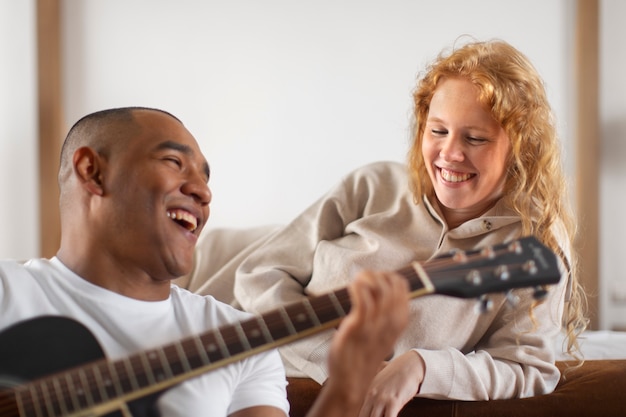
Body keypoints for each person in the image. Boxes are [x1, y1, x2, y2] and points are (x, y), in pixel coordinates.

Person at [233, 39, 588, 415]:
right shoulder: (372, 186)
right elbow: (258, 276)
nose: (450, 153)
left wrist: (423, 367)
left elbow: (524, 367)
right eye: (438, 131)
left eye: (475, 138)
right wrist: (342, 366)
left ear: (521, 146)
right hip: (226, 312)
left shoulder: (537, 243)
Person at [0, 107, 409, 417]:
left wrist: (348, 384)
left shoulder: (240, 338)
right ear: (93, 172)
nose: (202, 192)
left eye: (206, 178)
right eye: (174, 163)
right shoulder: (8, 292)